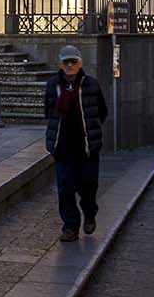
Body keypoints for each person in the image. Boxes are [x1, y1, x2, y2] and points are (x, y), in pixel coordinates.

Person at [44, 44, 109, 242]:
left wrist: (91, 132)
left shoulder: (91, 84)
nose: (70, 65)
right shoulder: (53, 85)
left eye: (74, 61)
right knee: (65, 187)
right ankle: (70, 226)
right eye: (66, 62)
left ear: (80, 63)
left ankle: (89, 213)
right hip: (62, 147)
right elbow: (48, 112)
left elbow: (102, 112)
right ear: (61, 64)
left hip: (87, 148)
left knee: (88, 186)